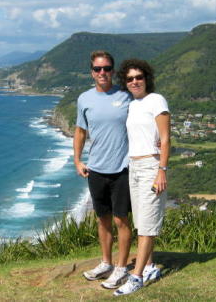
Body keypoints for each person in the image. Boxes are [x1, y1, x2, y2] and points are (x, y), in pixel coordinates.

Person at [73, 50, 133, 289]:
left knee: (121, 220)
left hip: (122, 168)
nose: (102, 73)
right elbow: (80, 131)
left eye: (107, 68)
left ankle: (121, 268)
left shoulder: (127, 95)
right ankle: (106, 263)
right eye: (98, 69)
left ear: (113, 71)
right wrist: (77, 161)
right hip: (96, 168)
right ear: (92, 72)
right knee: (102, 219)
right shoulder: (84, 99)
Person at [113, 58, 170, 296]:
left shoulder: (156, 100)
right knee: (141, 222)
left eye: (139, 77)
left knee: (147, 226)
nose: (135, 81)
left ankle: (136, 278)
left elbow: (165, 138)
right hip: (134, 166)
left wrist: (161, 171)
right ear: (125, 83)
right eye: (130, 79)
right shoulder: (133, 104)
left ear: (147, 78)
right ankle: (149, 266)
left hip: (151, 165)